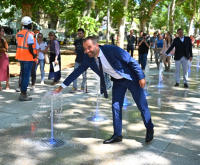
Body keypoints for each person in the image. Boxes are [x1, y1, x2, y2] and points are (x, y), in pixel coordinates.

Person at [54, 36, 154, 144]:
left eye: (89, 47)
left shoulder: (112, 50)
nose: (87, 51)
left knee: (141, 104)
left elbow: (131, 61)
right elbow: (77, 72)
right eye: (85, 48)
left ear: (96, 45)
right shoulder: (88, 58)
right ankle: (117, 134)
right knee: (116, 106)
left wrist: (141, 77)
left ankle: (149, 128)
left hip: (131, 78)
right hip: (118, 82)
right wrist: (61, 87)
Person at [15, 16, 37, 101]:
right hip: (27, 58)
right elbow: (30, 47)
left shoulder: (19, 33)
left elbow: (18, 44)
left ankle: (23, 91)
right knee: (26, 75)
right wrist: (34, 55)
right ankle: (23, 94)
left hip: (20, 57)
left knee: (23, 74)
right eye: (30, 23)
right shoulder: (29, 34)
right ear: (28, 24)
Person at [69, 28, 86, 92]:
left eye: (80, 33)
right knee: (74, 74)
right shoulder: (76, 41)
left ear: (83, 33)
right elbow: (75, 49)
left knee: (84, 76)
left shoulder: (85, 41)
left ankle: (83, 87)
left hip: (84, 61)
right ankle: (74, 87)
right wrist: (74, 52)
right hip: (77, 60)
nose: (79, 35)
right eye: (78, 33)